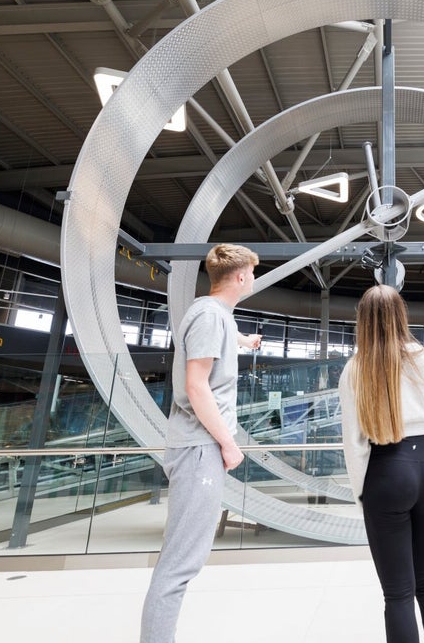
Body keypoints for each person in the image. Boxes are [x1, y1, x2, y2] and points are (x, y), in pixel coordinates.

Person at [140, 243, 261, 643]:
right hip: (199, 447)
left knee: (185, 558)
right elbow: (196, 385)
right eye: (253, 274)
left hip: (197, 446)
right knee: (180, 563)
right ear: (241, 277)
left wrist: (246, 343)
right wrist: (228, 444)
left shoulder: (217, 315)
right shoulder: (210, 316)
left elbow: (222, 337)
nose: (254, 280)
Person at [340, 285, 424, 643]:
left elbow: (354, 440)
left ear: (363, 322)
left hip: (387, 467)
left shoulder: (356, 367)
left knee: (398, 593)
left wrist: (362, 492)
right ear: (400, 316)